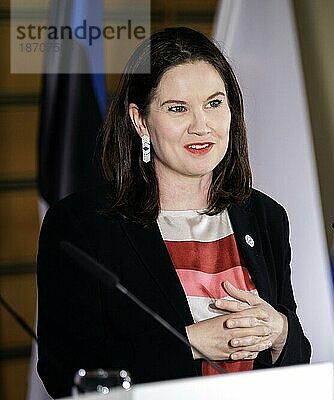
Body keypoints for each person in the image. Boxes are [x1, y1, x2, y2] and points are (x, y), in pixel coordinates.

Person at [36, 27, 311, 398]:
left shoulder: (264, 217)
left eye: (214, 103)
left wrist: (278, 331)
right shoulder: (81, 225)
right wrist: (191, 342)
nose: (202, 126)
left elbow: (295, 361)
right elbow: (63, 371)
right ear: (140, 121)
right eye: (178, 108)